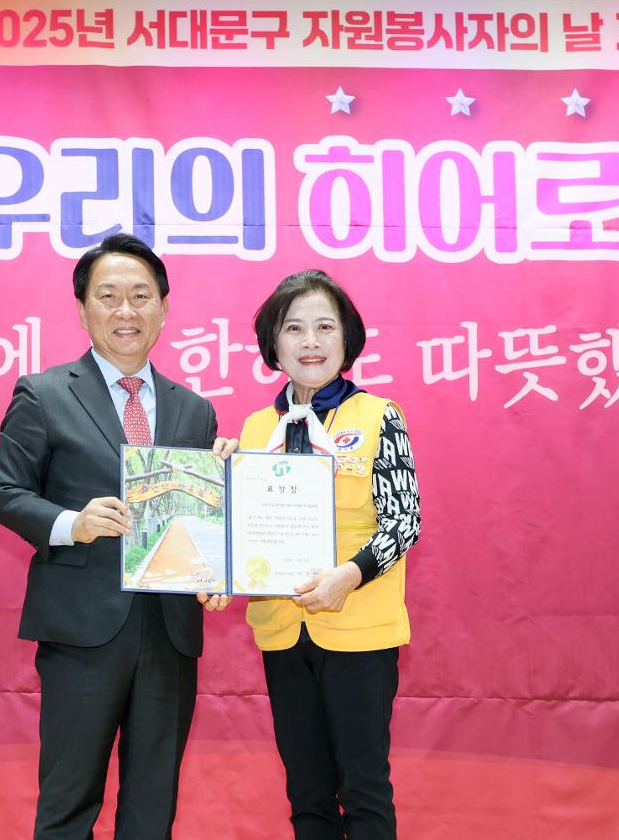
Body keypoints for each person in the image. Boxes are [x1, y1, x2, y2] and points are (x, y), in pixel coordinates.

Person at [0, 232, 233, 840]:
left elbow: (199, 516)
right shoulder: (43, 394)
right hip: (82, 630)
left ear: (164, 309)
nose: (127, 310)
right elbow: (4, 492)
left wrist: (221, 558)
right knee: (69, 802)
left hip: (170, 631)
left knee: (153, 803)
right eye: (109, 296)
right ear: (82, 309)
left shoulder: (195, 410)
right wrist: (73, 524)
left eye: (142, 296)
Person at [240, 270, 421, 840]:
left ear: (347, 340)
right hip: (282, 632)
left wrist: (349, 575)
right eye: (294, 328)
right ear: (273, 343)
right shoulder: (255, 429)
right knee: (307, 792)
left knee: (363, 788)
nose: (310, 342)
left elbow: (404, 520)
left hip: (359, 630)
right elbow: (244, 531)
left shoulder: (378, 414)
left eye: (325, 327)